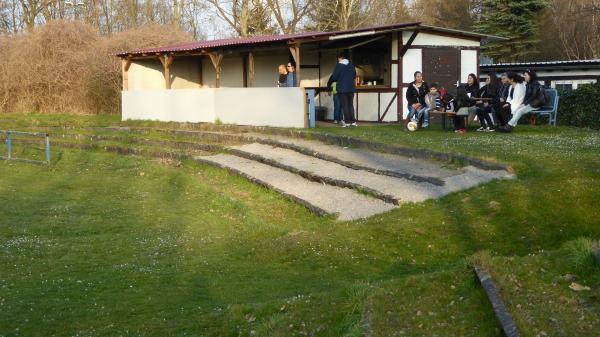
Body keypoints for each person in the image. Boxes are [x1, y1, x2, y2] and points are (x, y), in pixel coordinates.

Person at [327, 52, 357, 127]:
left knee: (345, 105)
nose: (338, 60)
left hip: (342, 89)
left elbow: (334, 77)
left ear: (340, 58)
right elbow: (354, 75)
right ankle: (353, 121)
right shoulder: (351, 65)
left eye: (338, 58)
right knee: (350, 105)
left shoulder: (339, 66)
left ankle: (347, 122)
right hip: (351, 88)